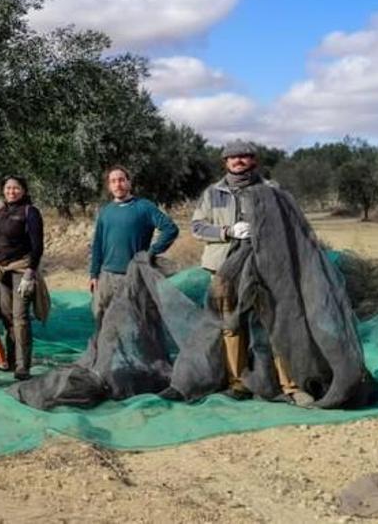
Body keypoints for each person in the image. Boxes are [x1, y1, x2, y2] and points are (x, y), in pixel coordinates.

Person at [190, 141, 310, 405]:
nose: (238, 161)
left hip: (267, 267)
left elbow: (293, 224)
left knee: (277, 324)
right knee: (231, 327)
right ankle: (237, 384)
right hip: (224, 269)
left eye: (244, 156)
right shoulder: (213, 193)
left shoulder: (272, 189)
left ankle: (290, 386)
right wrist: (227, 232)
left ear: (253, 160)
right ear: (225, 162)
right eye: (232, 157)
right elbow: (197, 227)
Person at [88, 166, 180, 325]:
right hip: (107, 278)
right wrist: (94, 274)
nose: (118, 185)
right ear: (109, 186)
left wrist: (151, 253)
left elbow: (170, 229)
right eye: (113, 181)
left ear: (129, 183)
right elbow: (98, 244)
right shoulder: (105, 212)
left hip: (134, 276)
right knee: (104, 322)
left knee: (136, 324)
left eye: (122, 180)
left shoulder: (144, 207)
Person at [0, 175, 47, 380]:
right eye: (8, 188)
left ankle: (22, 366)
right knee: (6, 316)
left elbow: (37, 246)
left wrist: (30, 273)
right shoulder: (1, 212)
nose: (12, 191)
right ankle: (9, 359)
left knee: (20, 318)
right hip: (3, 270)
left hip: (22, 270)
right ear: (3, 190)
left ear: (24, 190)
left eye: (16, 188)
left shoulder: (30, 212)